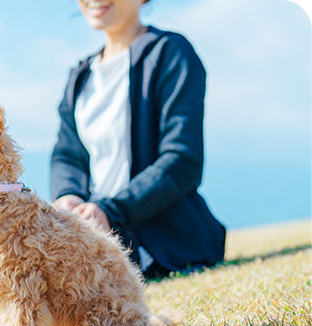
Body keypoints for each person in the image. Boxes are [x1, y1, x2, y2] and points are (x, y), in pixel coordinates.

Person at [51, 0, 226, 279]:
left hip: (165, 244)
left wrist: (110, 211)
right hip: (93, 241)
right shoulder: (80, 76)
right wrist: (67, 197)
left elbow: (182, 159)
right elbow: (67, 154)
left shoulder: (170, 52)